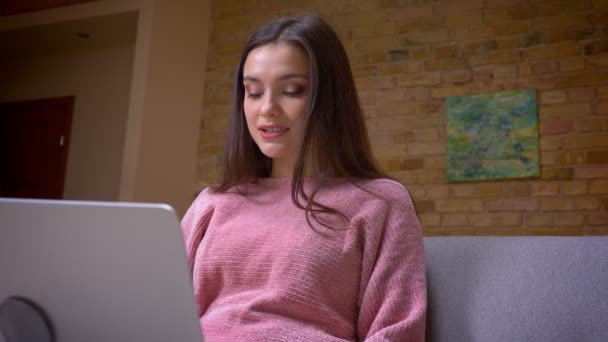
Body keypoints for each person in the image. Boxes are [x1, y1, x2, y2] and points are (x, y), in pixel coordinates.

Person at [181, 14, 426, 341]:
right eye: (253, 92)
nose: (267, 108)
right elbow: (158, 311)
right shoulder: (212, 203)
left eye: (292, 90)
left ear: (329, 99)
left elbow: (396, 331)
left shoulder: (381, 204)